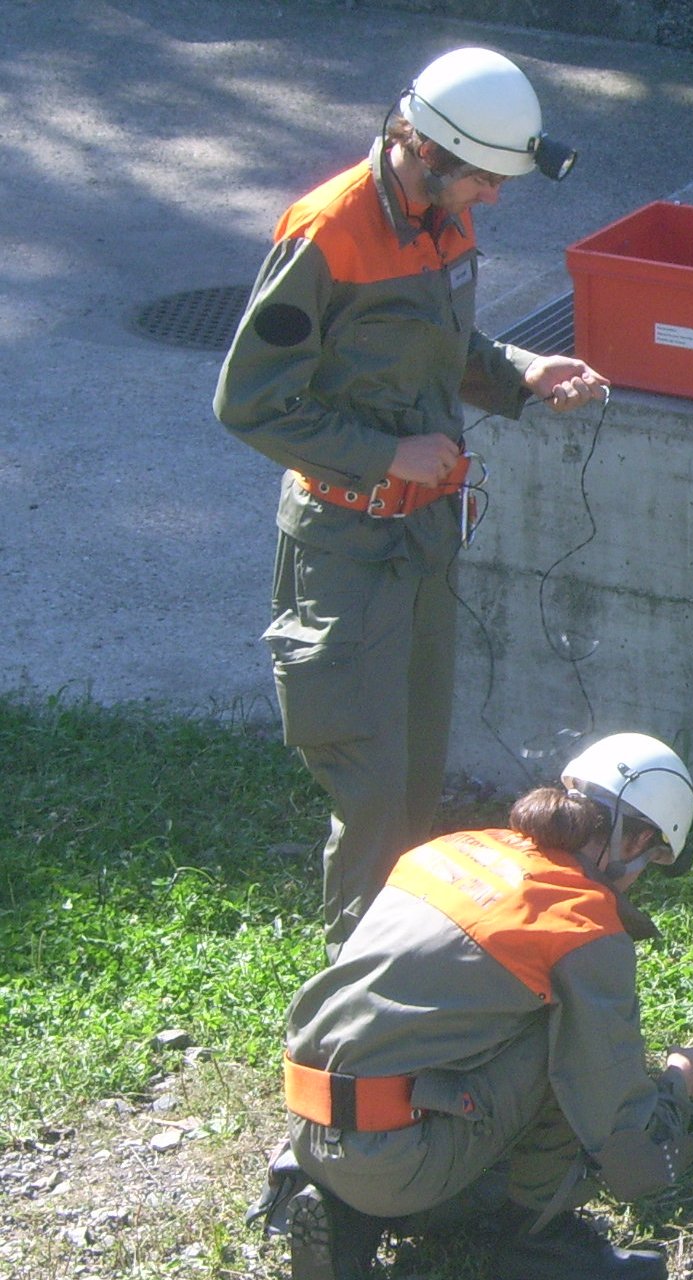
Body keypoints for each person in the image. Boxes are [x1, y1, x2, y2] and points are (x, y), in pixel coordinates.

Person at [214, 47, 607, 958]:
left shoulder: (442, 217)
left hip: (424, 540)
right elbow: (250, 403)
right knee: (373, 791)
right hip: (343, 554)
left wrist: (521, 371)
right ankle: (355, 994)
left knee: (418, 779)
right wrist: (387, 452)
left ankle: (411, 973)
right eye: (484, 178)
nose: (495, 198)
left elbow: (441, 342)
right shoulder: (329, 231)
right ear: (425, 150)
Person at [257, 732, 693, 1280]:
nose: (642, 875)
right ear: (631, 838)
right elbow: (621, 1136)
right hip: (393, 1158)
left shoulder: (451, 849)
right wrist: (681, 1089)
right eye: (653, 857)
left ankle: (345, 1206)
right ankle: (537, 1244)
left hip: (307, 1120)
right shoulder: (578, 921)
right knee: (564, 1041)